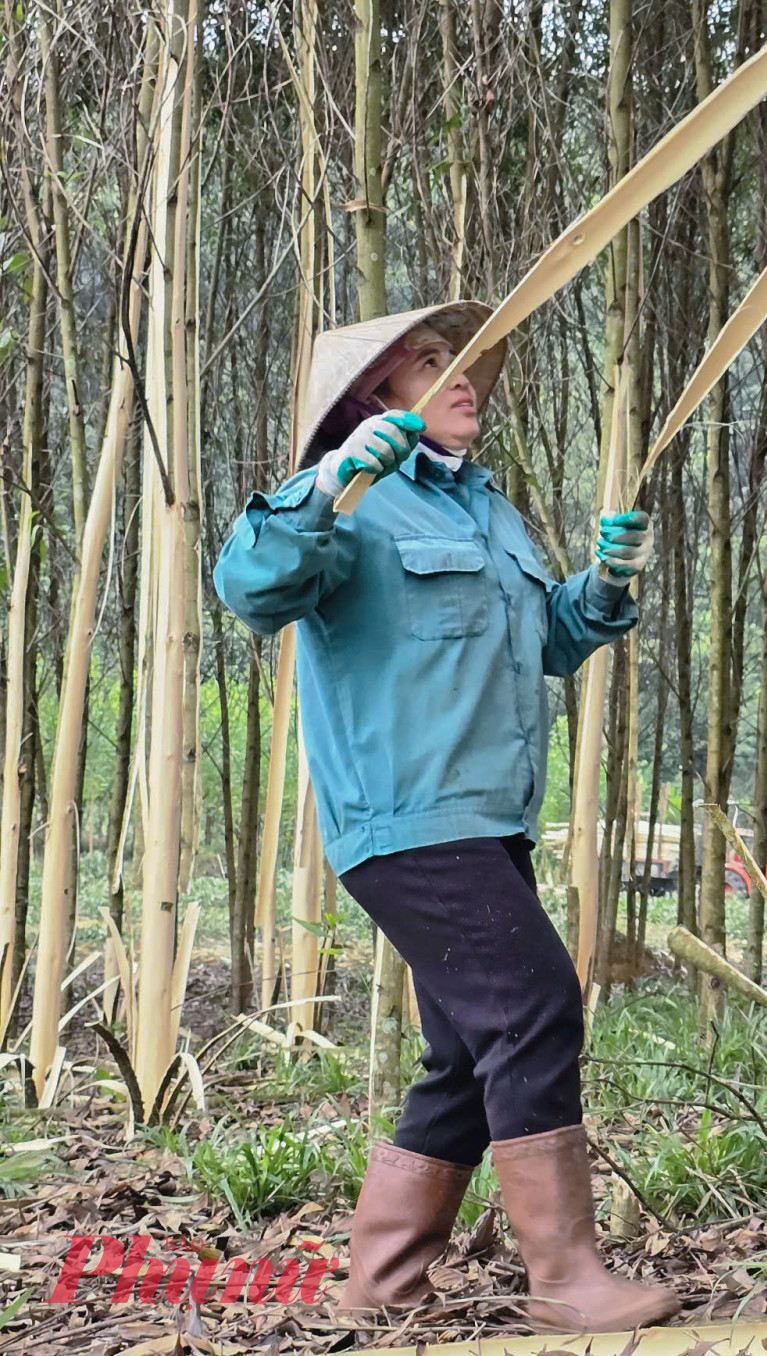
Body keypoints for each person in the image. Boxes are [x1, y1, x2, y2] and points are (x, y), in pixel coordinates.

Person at [214, 301, 677, 1334]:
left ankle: (383, 1286)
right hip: (406, 819)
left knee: (471, 1051)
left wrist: (602, 586)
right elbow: (250, 587)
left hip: (486, 817)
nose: (462, 377)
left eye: (463, 362)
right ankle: (564, 1278)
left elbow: (541, 648)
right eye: (432, 362)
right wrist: (334, 479)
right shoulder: (352, 505)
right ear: (376, 395)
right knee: (533, 1004)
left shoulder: (486, 512)